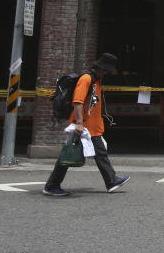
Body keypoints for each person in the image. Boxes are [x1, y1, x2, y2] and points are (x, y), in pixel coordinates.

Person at [43, 53, 130, 196]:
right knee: (67, 155)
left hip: (93, 127)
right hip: (83, 126)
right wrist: (79, 122)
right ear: (101, 68)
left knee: (100, 154)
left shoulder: (96, 80)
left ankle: (111, 181)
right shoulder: (86, 79)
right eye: (107, 70)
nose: (108, 73)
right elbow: (78, 101)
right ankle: (51, 185)